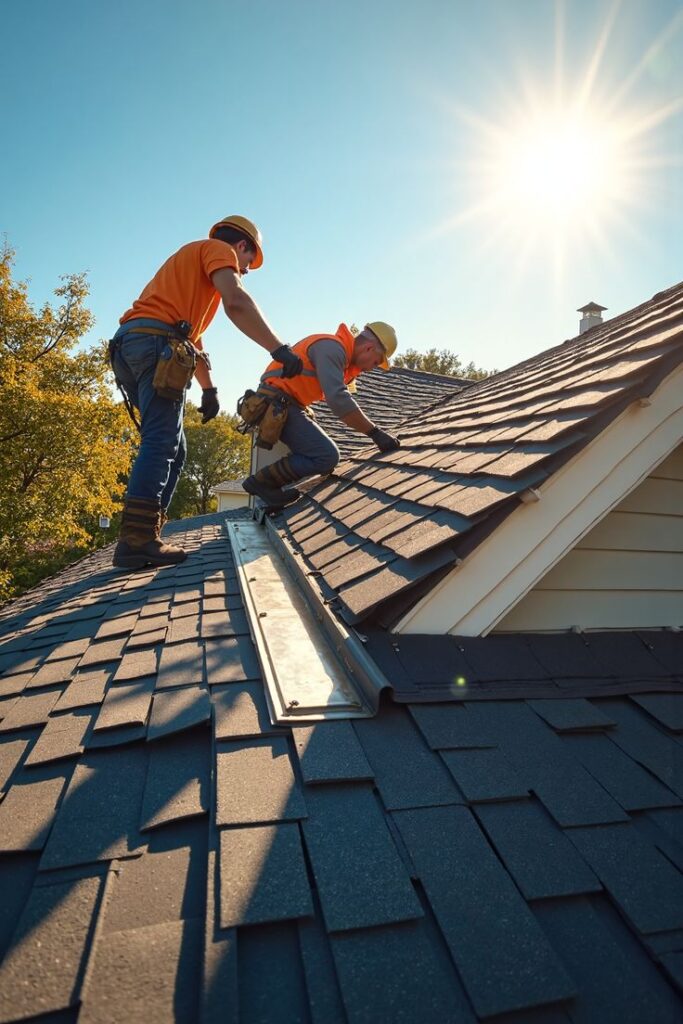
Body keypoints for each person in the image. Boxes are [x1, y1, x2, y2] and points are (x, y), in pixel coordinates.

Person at [109, 215, 302, 569]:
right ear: (242, 246)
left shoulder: (186, 271)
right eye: (248, 263)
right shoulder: (218, 250)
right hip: (154, 345)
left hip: (133, 345)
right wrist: (278, 348)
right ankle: (136, 541)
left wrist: (209, 390)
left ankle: (147, 533)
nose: (244, 269)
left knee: (174, 447)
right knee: (161, 441)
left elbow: (190, 339)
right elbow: (236, 301)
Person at [242, 322, 401, 508]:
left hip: (286, 404)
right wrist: (375, 433)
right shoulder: (332, 349)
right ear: (369, 348)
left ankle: (267, 486)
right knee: (326, 456)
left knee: (319, 452)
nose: (372, 368)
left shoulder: (342, 359)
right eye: (375, 362)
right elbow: (339, 400)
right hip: (277, 403)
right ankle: (261, 483)